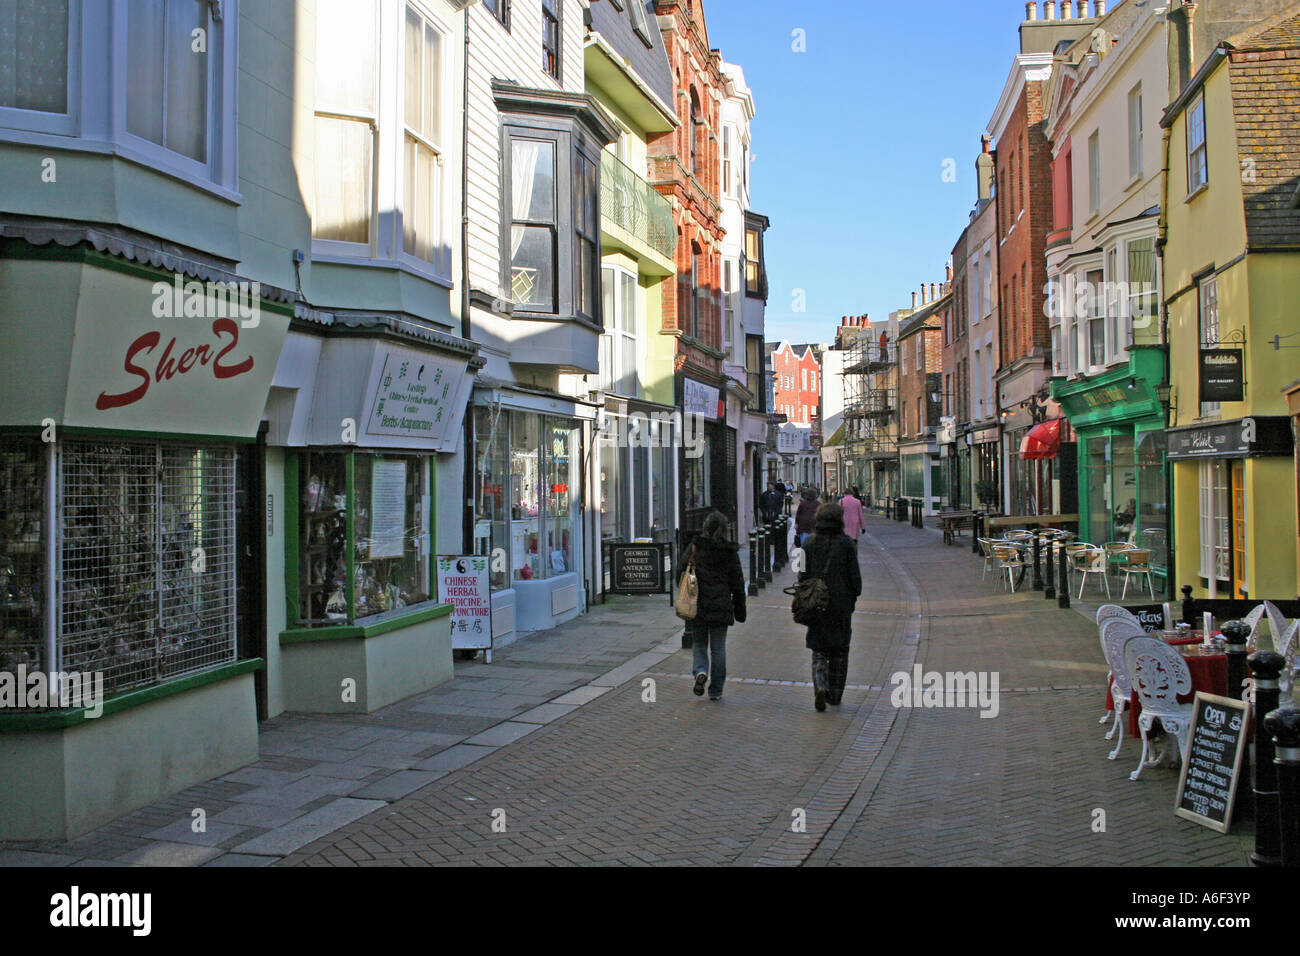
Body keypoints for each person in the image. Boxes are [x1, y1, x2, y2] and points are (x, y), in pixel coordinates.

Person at [798, 502, 862, 711]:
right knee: (840, 650)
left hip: (816, 603)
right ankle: (834, 695)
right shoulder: (846, 544)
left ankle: (820, 684)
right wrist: (852, 597)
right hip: (840, 603)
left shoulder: (808, 544)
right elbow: (855, 579)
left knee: (819, 648)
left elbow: (802, 574)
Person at [683, 511, 747, 701]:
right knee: (718, 648)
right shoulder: (729, 552)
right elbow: (737, 582)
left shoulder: (695, 548)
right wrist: (740, 608)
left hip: (698, 604)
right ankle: (716, 689)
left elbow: (680, 569)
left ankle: (701, 671)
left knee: (699, 643)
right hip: (721, 604)